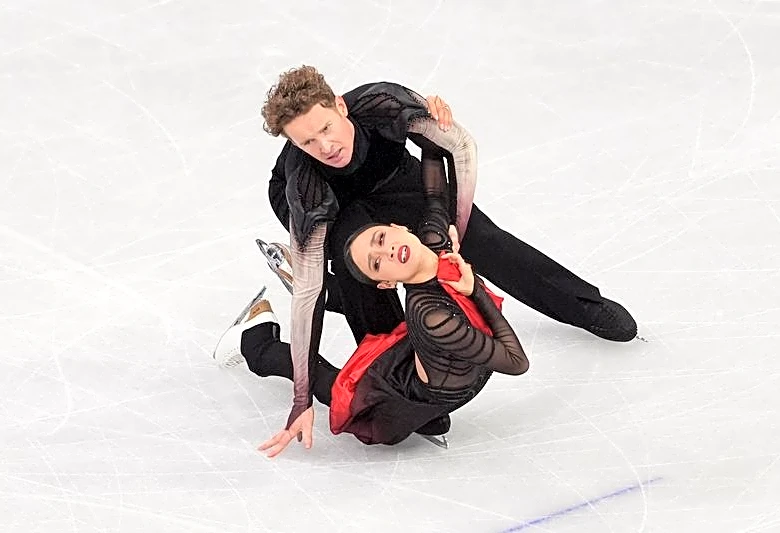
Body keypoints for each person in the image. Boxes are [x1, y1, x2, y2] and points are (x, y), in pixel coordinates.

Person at [258, 65, 637, 454]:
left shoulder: (380, 104)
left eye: (326, 129)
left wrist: (453, 234)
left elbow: (460, 147)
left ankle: (585, 306)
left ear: (340, 106)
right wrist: (301, 400)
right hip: (335, 206)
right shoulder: (306, 183)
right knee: (364, 274)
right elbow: (307, 297)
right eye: (307, 142)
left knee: (484, 241)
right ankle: (397, 371)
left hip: (391, 179)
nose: (325, 147)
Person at [214, 217, 529, 456]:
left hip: (445, 365)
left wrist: (432, 131)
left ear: (399, 227)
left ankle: (314, 289)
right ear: (387, 284)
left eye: (381, 238)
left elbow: (436, 182)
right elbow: (516, 362)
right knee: (340, 392)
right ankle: (255, 337)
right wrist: (475, 289)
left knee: (429, 419)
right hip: (403, 386)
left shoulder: (433, 243)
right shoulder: (431, 315)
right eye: (378, 262)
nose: (388, 250)